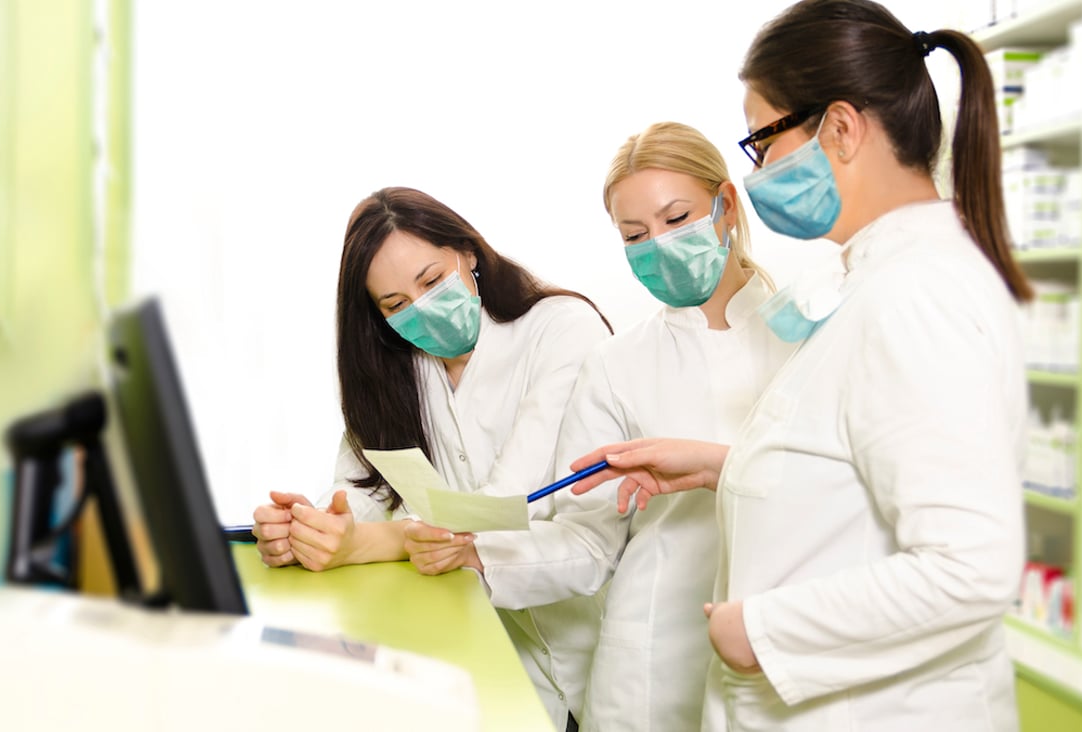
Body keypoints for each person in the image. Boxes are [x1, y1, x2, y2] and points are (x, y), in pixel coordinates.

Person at [566, 1, 1033, 730]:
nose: (759, 174)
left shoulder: (913, 295)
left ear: (841, 129)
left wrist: (755, 632)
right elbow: (851, 478)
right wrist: (722, 465)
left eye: (762, 143)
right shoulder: (875, 284)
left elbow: (972, 566)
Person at [402, 122, 799, 731]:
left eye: (677, 218)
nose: (659, 244)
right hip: (649, 668)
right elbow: (589, 544)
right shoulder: (617, 364)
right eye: (636, 234)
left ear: (727, 204)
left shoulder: (807, 338)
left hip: (785, 652)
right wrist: (477, 555)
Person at [249, 186, 612, 731]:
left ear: (467, 253)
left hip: (594, 647)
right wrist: (316, 526)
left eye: (431, 280)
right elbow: (367, 491)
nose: (421, 309)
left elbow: (508, 505)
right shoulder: (393, 369)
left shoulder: (560, 328)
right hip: (483, 658)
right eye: (395, 305)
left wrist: (374, 542)